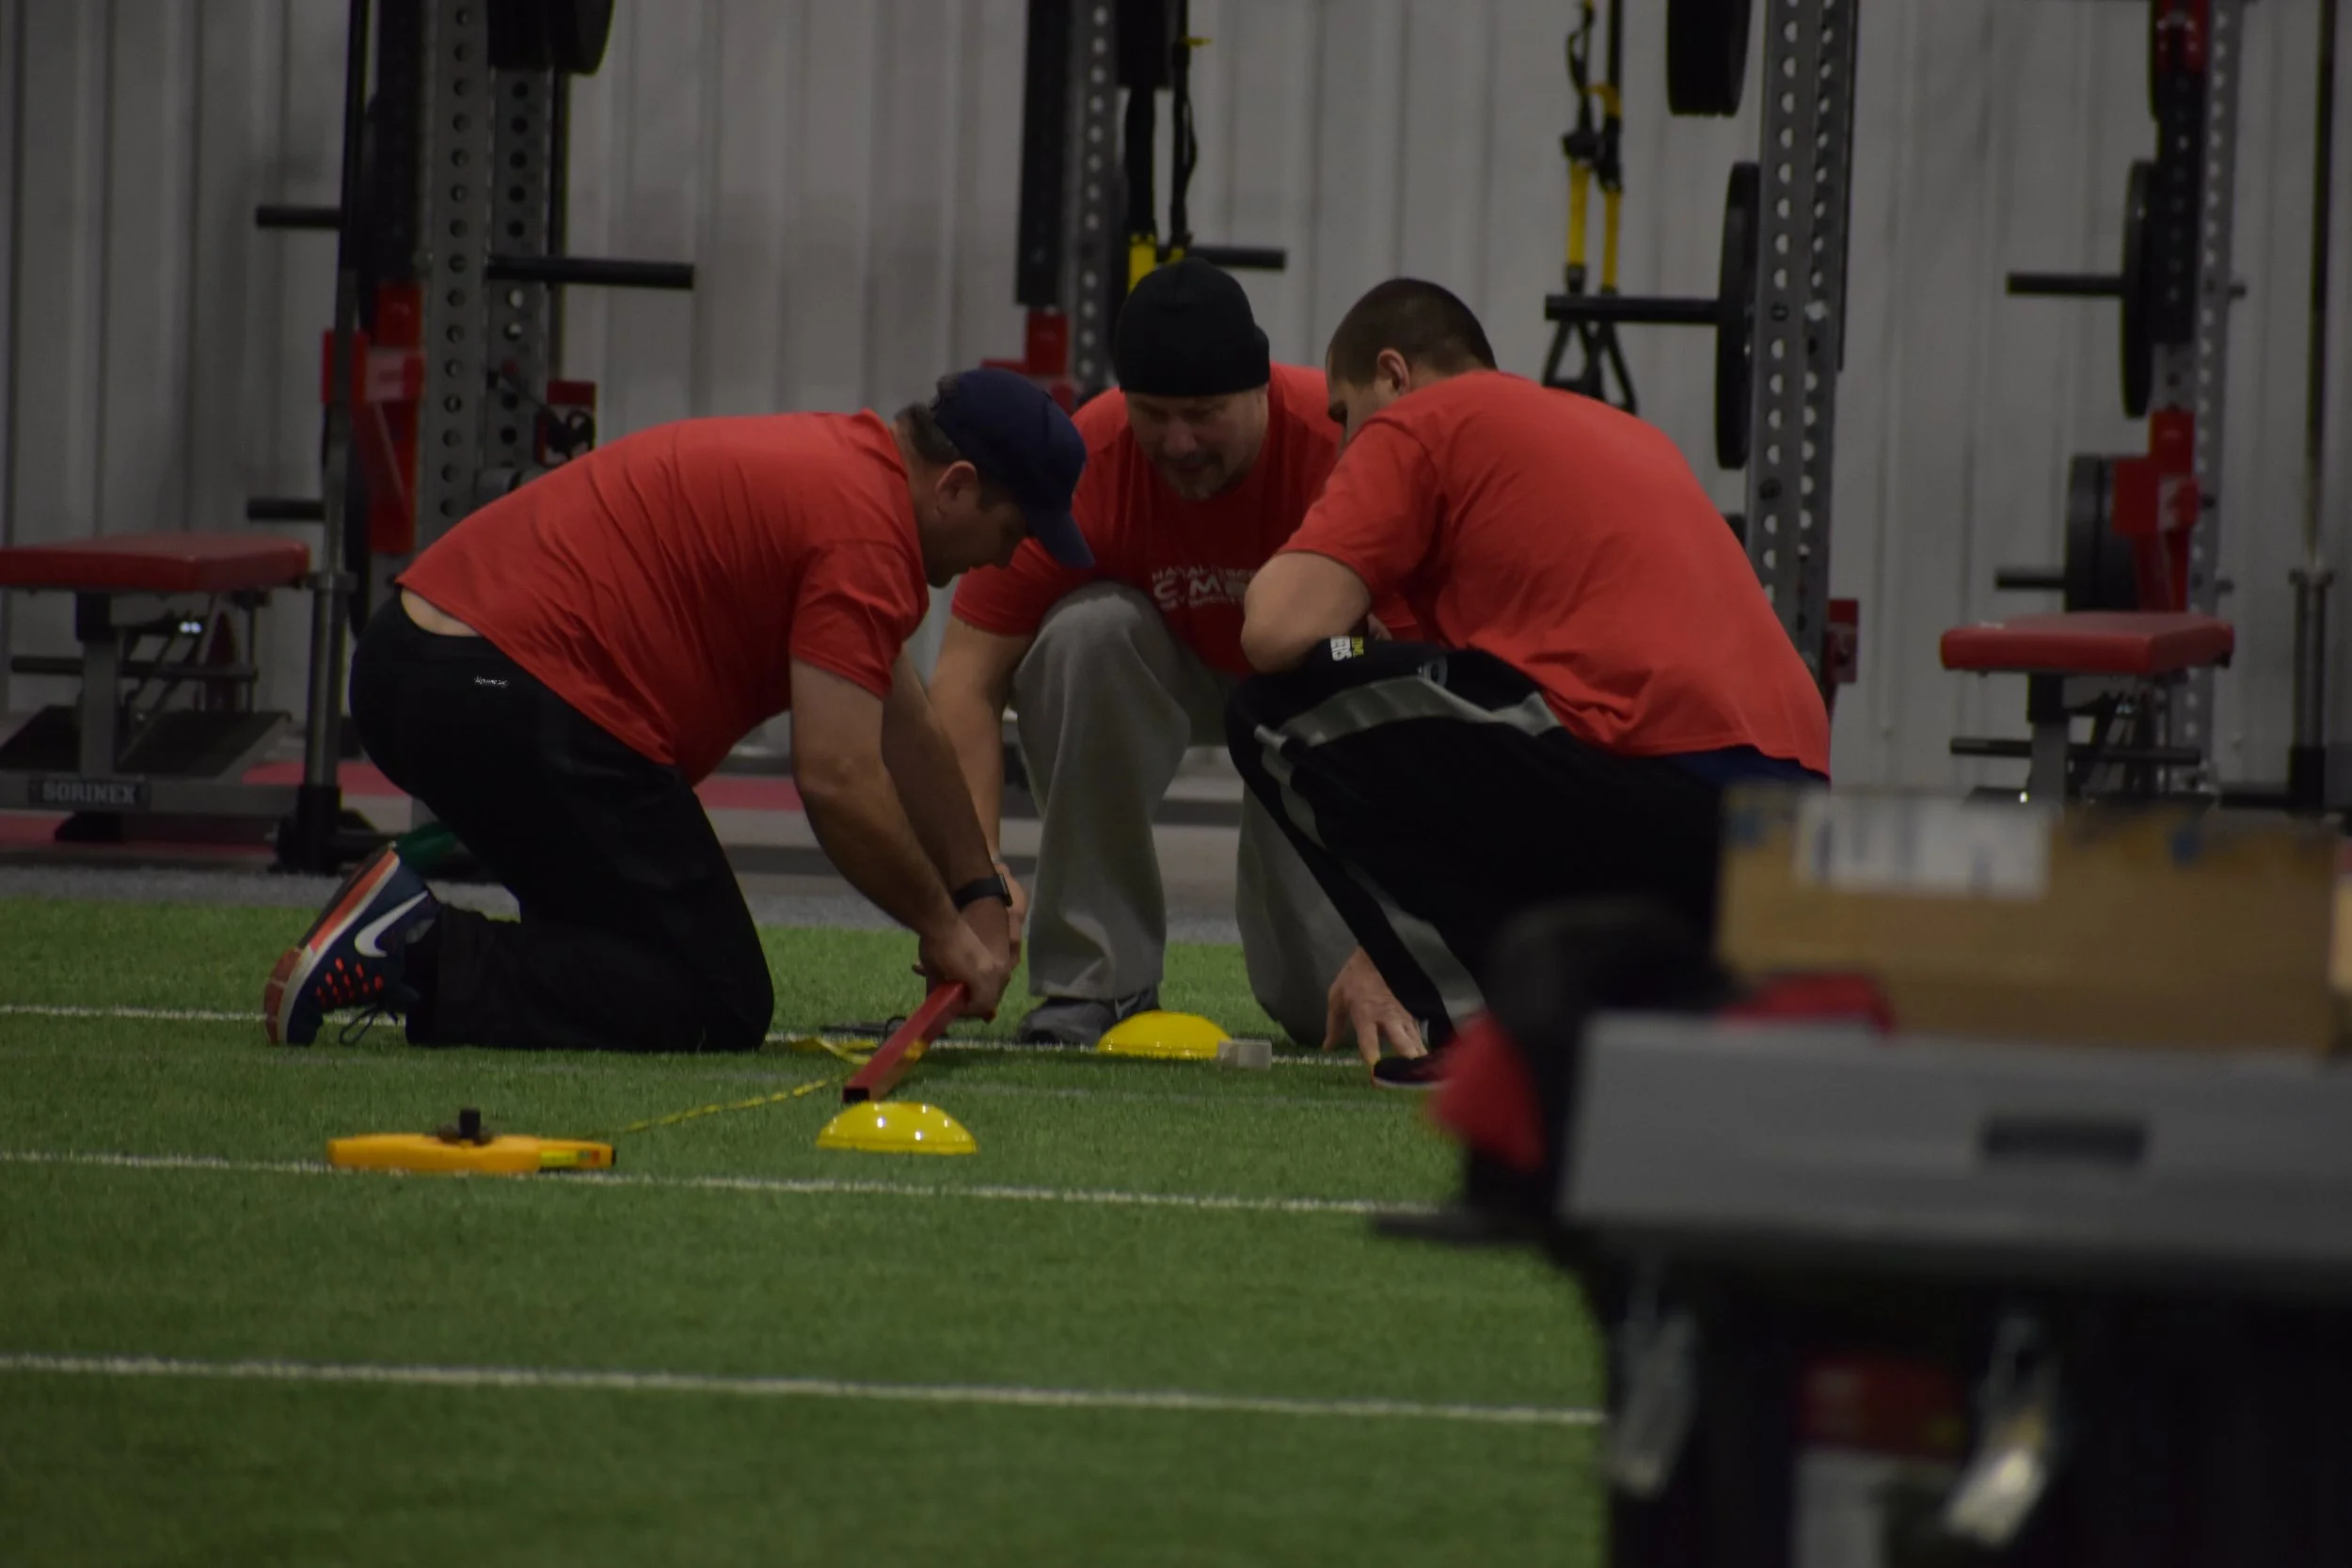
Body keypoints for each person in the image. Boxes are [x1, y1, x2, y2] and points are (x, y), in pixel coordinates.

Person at [263, 368, 1092, 1053]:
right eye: (1013, 530)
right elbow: (839, 776)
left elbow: (902, 726)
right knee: (715, 996)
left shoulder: (853, 475)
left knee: (631, 960)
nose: (1008, 557)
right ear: (956, 486)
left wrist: (978, 883)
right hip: (502, 688)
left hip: (429, 667)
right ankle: (410, 944)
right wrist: (943, 928)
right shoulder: (865, 533)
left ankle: (409, 948)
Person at [1227, 277, 1832, 1087]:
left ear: (1395, 374)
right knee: (1453, 715)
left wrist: (1340, 634)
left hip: (1644, 771)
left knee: (1271, 714)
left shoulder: (1421, 420)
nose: (1342, 446)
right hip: (1782, 815)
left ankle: (1484, 1029)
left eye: (1343, 415)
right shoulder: (1614, 430)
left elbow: (1271, 629)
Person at [930, 260, 1399, 1047]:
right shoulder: (1093, 460)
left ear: (1262, 393)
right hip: (1162, 665)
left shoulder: (1341, 446)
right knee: (1084, 635)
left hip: (1303, 687)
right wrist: (981, 881)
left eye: (1205, 414)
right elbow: (962, 685)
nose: (1178, 442)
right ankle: (1096, 978)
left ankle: (1351, 969)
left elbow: (1423, 686)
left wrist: (1390, 943)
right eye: (1154, 413)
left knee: (1327, 1011)